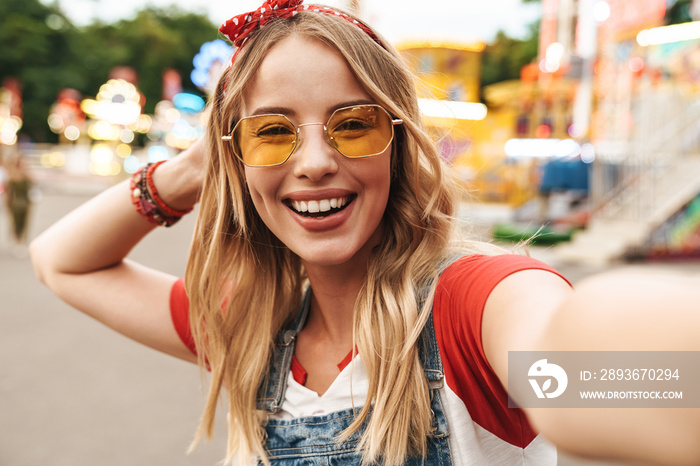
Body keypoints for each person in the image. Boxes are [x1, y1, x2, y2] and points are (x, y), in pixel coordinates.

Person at [30, 1, 700, 465]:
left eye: (353, 124)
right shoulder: (253, 324)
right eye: (274, 133)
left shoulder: (469, 304)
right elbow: (62, 261)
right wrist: (193, 168)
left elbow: (563, 372)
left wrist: (657, 378)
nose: (317, 162)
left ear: (398, 146)